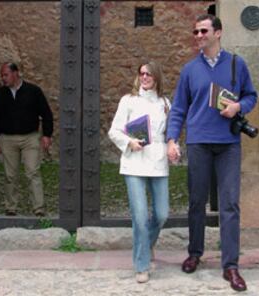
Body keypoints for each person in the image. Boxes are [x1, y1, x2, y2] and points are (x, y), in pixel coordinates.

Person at [166, 14, 258, 292]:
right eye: (195, 31)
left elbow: (251, 96)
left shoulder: (236, 64)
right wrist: (172, 139)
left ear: (218, 33)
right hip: (199, 143)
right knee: (196, 202)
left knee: (230, 205)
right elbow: (179, 108)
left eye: (203, 30)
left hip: (228, 143)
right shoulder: (189, 70)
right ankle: (195, 253)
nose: (198, 35)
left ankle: (231, 266)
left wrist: (238, 107)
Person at [108, 61, 170, 284]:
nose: (144, 77)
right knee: (140, 216)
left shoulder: (165, 103)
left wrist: (173, 146)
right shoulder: (128, 101)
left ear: (157, 77)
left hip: (158, 163)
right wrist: (129, 141)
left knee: (162, 213)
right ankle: (142, 265)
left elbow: (170, 132)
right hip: (134, 163)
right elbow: (113, 131)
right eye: (141, 73)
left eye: (149, 74)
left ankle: (147, 243)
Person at [0, 62, 53, 217]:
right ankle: (10, 208)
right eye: (2, 75)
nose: (3, 78)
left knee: (33, 172)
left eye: (6, 75)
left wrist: (47, 135)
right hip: (7, 139)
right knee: (10, 175)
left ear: (16, 73)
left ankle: (38, 209)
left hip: (30, 138)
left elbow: (46, 113)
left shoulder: (33, 91)